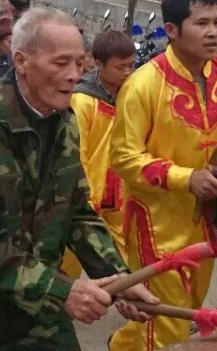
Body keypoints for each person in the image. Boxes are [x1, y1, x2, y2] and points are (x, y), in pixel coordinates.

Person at [0, 8, 157, 350]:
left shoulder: (64, 121)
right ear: (21, 60)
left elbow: (76, 210)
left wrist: (118, 276)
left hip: (36, 303)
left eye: (79, 62)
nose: (75, 75)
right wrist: (61, 290)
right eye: (61, 63)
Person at [109, 0, 217, 350]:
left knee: (186, 309)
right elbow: (125, 158)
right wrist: (185, 178)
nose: (213, 32)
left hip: (208, 219)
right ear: (172, 30)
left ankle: (123, 345)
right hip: (157, 224)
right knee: (167, 323)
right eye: (202, 23)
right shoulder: (144, 85)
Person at [62, 30, 137, 278]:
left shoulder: (130, 96)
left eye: (131, 66)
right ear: (98, 63)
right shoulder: (82, 101)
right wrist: (83, 193)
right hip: (89, 190)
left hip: (119, 188)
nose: (128, 73)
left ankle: (132, 297)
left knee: (124, 247)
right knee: (71, 251)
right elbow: (77, 151)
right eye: (120, 67)